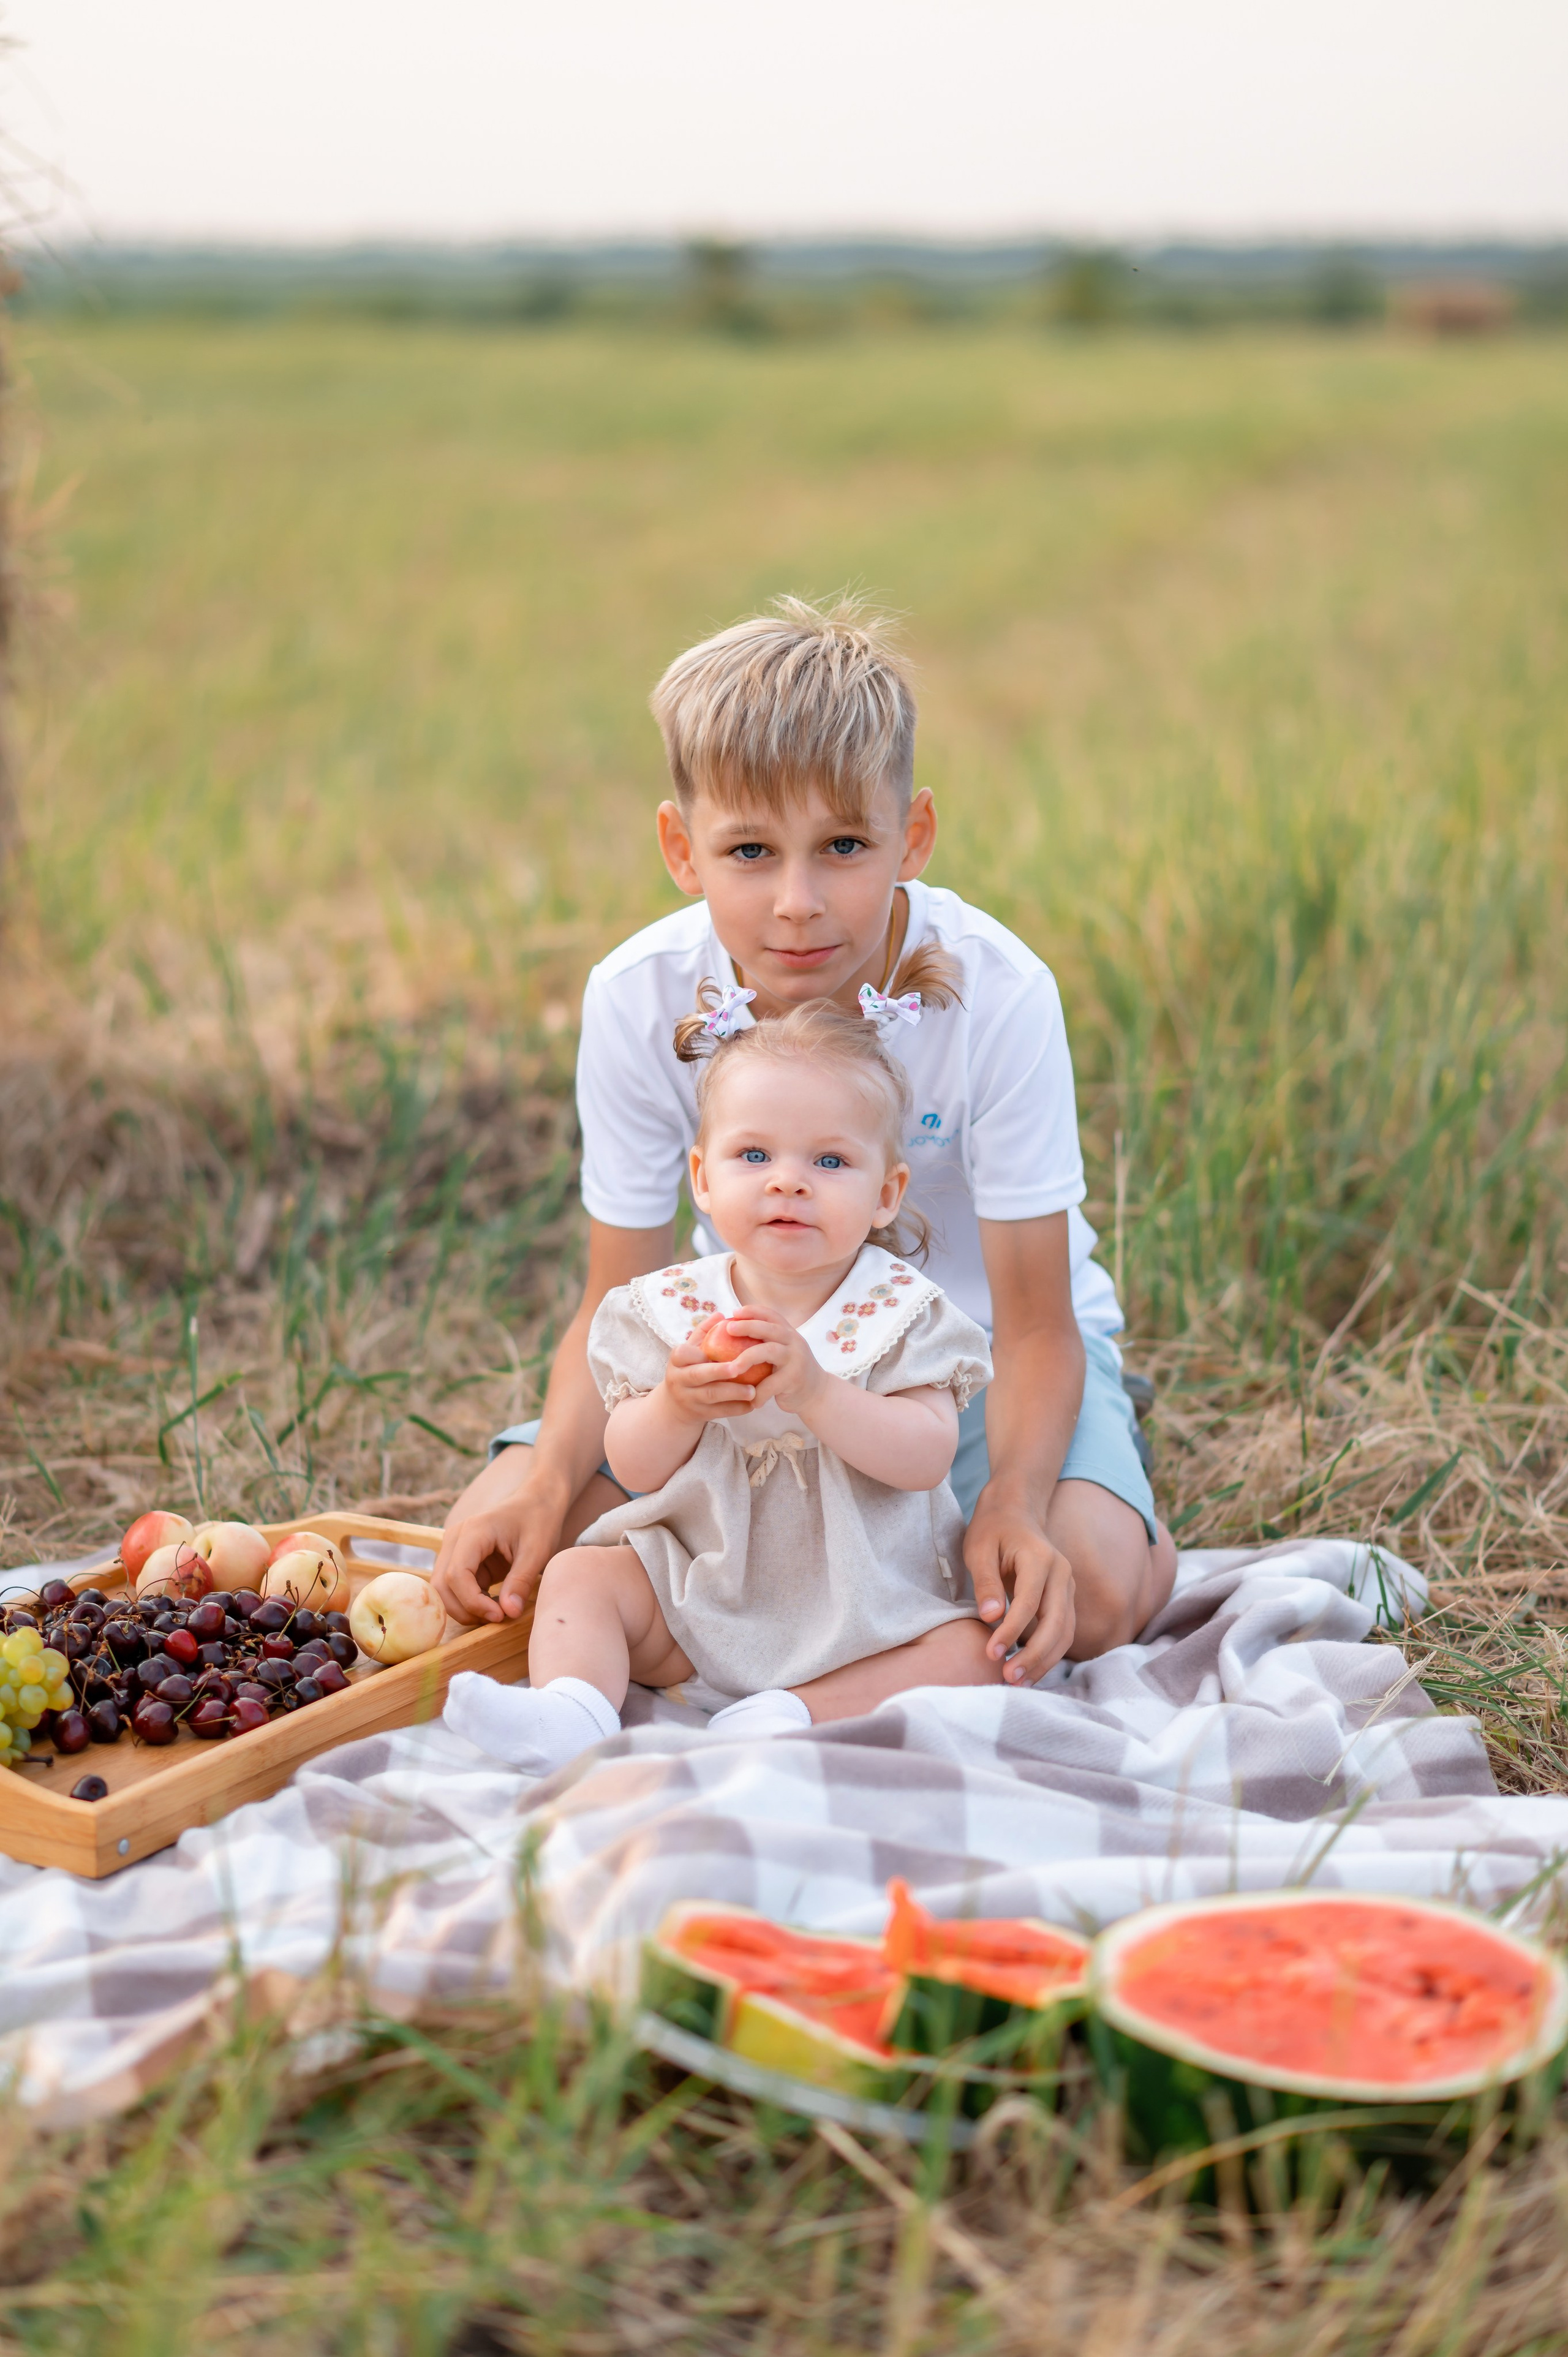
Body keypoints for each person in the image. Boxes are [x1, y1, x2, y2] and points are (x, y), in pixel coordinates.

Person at [433, 594, 1175, 1693]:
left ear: (910, 836)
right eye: (748, 850)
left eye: (843, 846)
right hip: (740, 1361)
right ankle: (770, 1622)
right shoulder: (639, 995)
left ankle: (1091, 1464)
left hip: (960, 1373)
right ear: (681, 849)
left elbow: (1031, 1321)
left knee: (1084, 1596)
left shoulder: (1000, 990)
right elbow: (614, 1301)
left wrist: (1013, 1502)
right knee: (515, 1560)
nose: (797, 902)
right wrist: (550, 1475)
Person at [443, 995, 998, 1772]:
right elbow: (634, 1468)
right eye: (755, 1156)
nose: (789, 1183)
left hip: (866, 1610)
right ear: (702, 1176)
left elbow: (926, 1456)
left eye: (830, 1161)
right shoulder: (673, 1308)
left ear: (886, 1192)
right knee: (581, 1572)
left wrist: (818, 1391)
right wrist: (673, 1403)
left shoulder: (901, 1311)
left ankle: (789, 1715)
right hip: (701, 1594)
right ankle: (569, 1714)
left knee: (978, 1650)